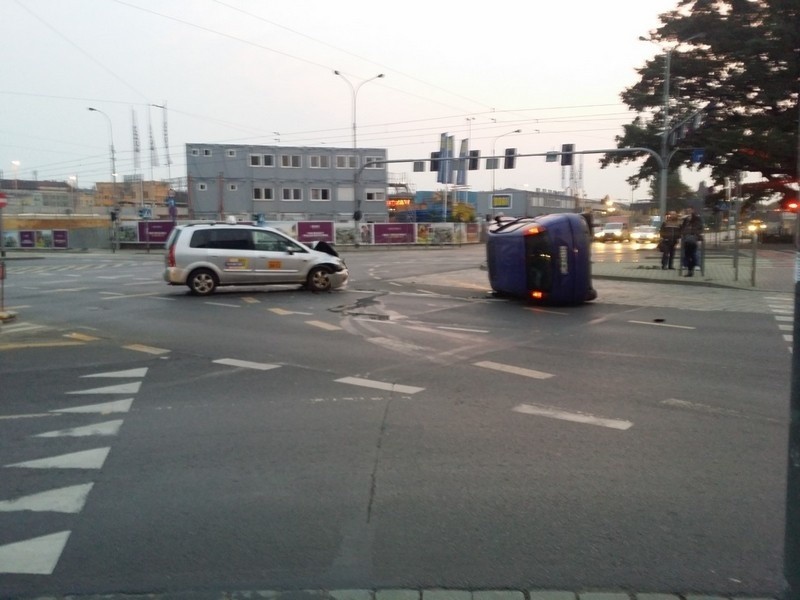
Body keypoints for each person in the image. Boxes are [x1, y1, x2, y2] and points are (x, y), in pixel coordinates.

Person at [680, 206, 704, 277]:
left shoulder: (696, 218)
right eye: (687, 210)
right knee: (687, 254)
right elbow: (683, 227)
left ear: (693, 210)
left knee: (694, 253)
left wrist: (696, 234)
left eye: (690, 210)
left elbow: (699, 227)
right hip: (686, 239)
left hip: (693, 238)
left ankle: (695, 266)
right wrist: (683, 233)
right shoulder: (685, 219)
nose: (689, 212)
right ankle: (689, 269)